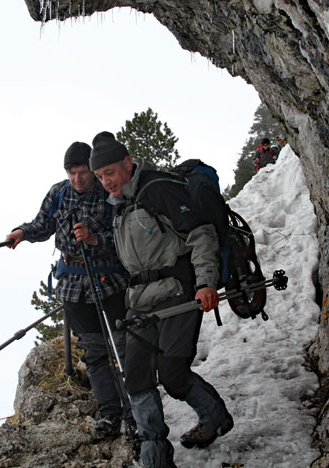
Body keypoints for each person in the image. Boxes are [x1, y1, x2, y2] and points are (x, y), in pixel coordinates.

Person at [90, 131, 233, 468]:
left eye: (109, 172)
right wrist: (95, 241)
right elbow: (134, 254)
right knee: (136, 379)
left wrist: (206, 283)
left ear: (127, 163)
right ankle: (155, 456)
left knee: (172, 373)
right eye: (100, 176)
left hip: (178, 290)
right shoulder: (121, 204)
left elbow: (200, 235)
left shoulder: (157, 189)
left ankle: (215, 416)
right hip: (139, 300)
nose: (105, 181)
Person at [6, 141, 134, 440]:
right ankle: (109, 414)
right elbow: (43, 223)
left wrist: (93, 240)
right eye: (72, 172)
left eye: (83, 172)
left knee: (122, 349)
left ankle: (135, 413)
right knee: (93, 352)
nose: (78, 178)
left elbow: (124, 236)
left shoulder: (108, 193)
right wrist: (23, 233)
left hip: (109, 281)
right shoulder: (58, 193)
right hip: (73, 286)